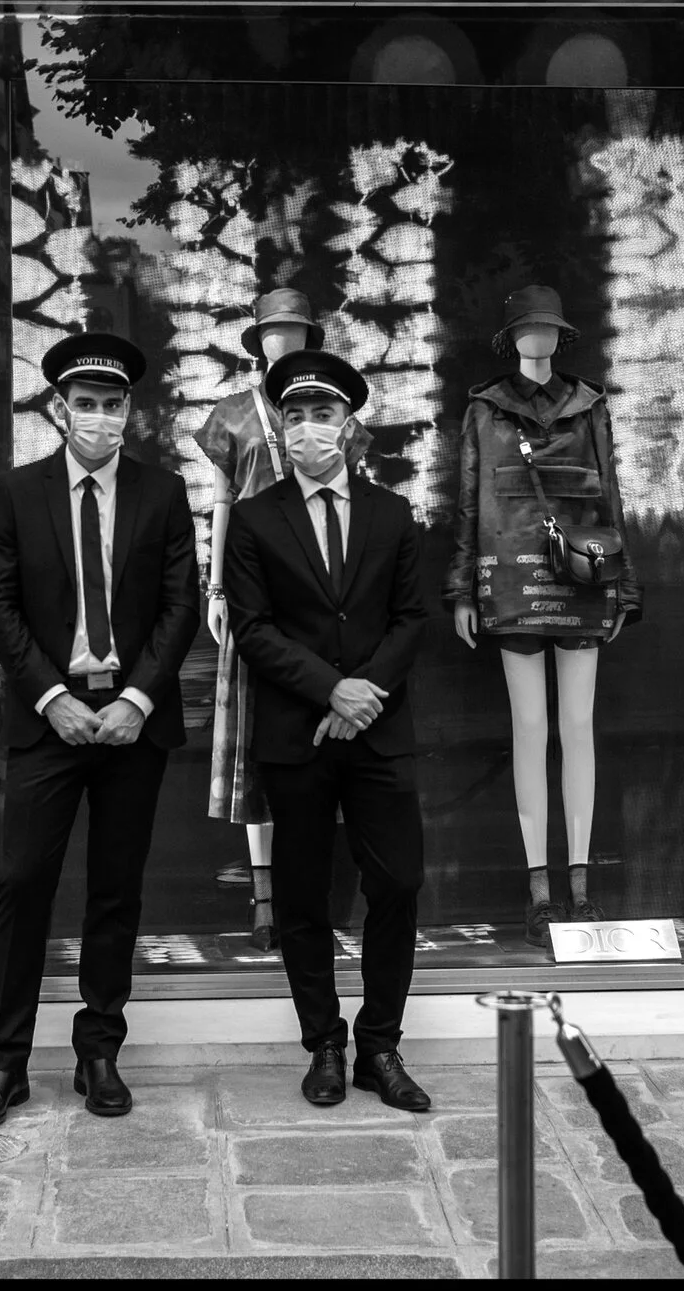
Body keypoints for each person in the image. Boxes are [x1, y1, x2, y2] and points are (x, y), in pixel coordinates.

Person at [0, 331, 200, 1128]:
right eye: (85, 404)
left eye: (112, 404)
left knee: (114, 891)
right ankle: (6, 1064)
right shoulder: (19, 493)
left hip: (131, 722)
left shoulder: (162, 493)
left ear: (129, 411)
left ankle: (100, 1051)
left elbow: (180, 607)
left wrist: (136, 700)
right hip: (49, 719)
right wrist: (49, 697)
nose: (99, 417)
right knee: (23, 885)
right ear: (59, 409)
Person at [222, 348, 434, 1113]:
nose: (313, 427)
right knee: (305, 895)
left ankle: (380, 1042)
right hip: (298, 729)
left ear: (350, 426)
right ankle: (324, 1043)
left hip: (377, 727)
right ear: (283, 425)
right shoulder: (252, 519)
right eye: (300, 414)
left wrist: (365, 693)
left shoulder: (392, 513)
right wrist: (331, 691)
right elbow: (253, 628)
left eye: (327, 414)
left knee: (398, 882)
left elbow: (413, 616)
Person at [445, 284, 641, 948]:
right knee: (529, 728)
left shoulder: (590, 405)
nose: (541, 339)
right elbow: (468, 500)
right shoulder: (484, 409)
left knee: (576, 727)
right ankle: (539, 890)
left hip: (582, 573)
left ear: (561, 336)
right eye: (530, 329)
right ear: (512, 338)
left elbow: (612, 491)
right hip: (509, 576)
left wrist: (625, 586)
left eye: (550, 328)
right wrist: (464, 589)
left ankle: (581, 886)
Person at [191, 289, 370, 953]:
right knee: (251, 738)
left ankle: (316, 888)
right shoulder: (233, 415)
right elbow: (219, 503)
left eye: (293, 331)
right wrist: (214, 586)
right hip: (249, 585)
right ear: (256, 339)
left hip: (321, 587)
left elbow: (357, 502)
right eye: (271, 332)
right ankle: (264, 893)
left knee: (321, 728)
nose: (281, 342)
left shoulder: (335, 416)